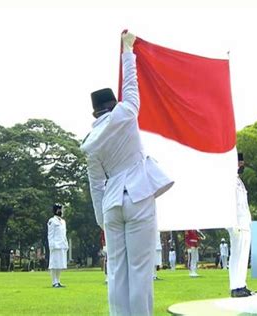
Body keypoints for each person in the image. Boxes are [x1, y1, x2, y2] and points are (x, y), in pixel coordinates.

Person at [80, 31, 174, 316]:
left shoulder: (89, 143)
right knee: (140, 270)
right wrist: (128, 50)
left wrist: (102, 221)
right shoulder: (125, 113)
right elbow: (131, 85)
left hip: (111, 205)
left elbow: (96, 184)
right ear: (113, 104)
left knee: (117, 272)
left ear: (95, 113)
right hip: (138, 194)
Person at [228, 153, 256, 297]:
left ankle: (240, 285)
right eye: (239, 163)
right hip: (237, 223)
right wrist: (232, 223)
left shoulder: (239, 181)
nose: (241, 165)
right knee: (237, 255)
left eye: (242, 163)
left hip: (244, 222)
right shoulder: (229, 181)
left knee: (242, 255)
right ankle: (236, 287)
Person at [47, 203, 68, 288]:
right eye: (61, 209)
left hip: (62, 244)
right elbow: (50, 234)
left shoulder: (63, 221)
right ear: (57, 210)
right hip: (55, 245)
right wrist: (51, 245)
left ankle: (58, 281)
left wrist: (66, 243)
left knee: (60, 264)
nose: (62, 211)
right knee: (54, 264)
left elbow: (64, 234)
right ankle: (54, 282)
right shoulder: (52, 221)